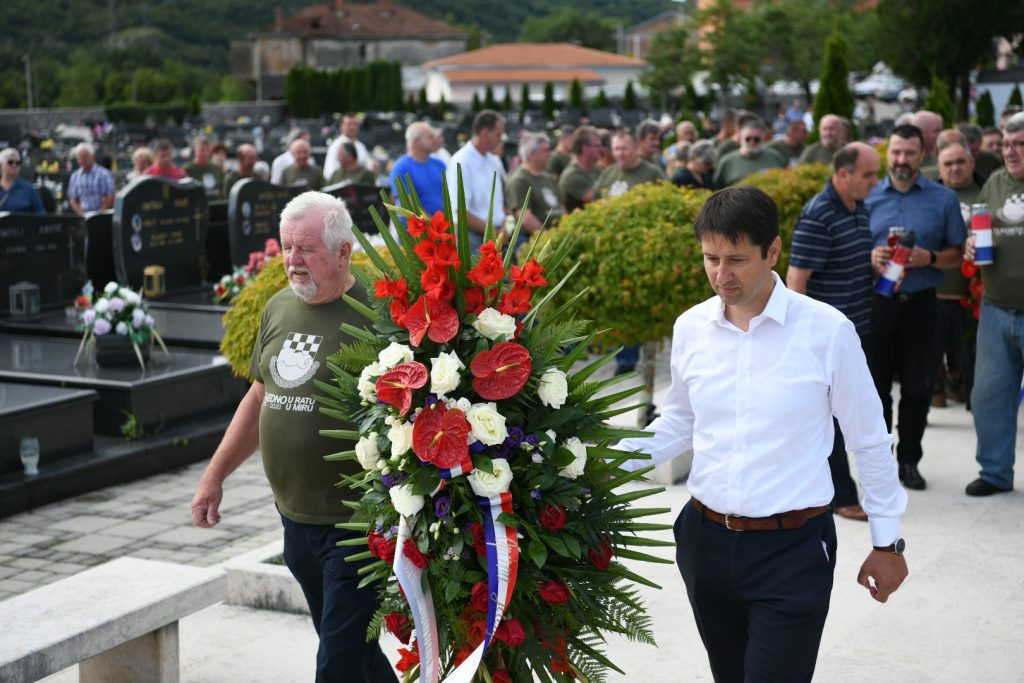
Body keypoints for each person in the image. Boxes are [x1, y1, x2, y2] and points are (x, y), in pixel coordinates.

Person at [618, 185, 908, 683]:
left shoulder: (828, 331)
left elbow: (869, 439)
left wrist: (888, 542)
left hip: (792, 550)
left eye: (737, 259)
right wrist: (594, 461)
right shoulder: (690, 328)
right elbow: (679, 422)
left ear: (773, 251)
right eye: (710, 258)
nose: (721, 275)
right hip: (703, 544)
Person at [190, 191, 397, 683]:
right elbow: (260, 397)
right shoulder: (279, 307)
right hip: (295, 521)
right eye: (287, 247)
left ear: (344, 252)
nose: (292, 261)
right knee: (348, 649)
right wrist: (214, 474)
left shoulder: (381, 316)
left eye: (306, 249)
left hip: (357, 525)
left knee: (337, 667)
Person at [865, 124, 966, 491]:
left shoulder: (943, 199)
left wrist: (931, 257)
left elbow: (957, 253)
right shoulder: (869, 195)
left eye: (909, 153)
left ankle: (909, 460)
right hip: (877, 305)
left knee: (918, 388)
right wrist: (869, 256)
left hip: (923, 306)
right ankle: (879, 465)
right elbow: (848, 247)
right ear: (886, 154)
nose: (901, 160)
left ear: (922, 155)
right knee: (875, 391)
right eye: (895, 152)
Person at [787, 142, 882, 522]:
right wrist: (802, 342)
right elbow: (797, 282)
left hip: (858, 330)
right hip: (824, 342)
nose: (876, 182)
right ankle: (841, 497)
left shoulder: (859, 207)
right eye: (868, 174)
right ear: (843, 174)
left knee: (858, 414)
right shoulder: (818, 215)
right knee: (833, 422)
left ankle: (856, 489)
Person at [965, 112, 1024, 496]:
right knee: (988, 395)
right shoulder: (995, 183)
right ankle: (995, 472)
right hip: (997, 307)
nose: (1011, 152)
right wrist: (972, 244)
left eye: (1020, 145)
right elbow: (981, 228)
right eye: (1006, 144)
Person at [930, 136, 980, 409]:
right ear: (939, 167)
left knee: (970, 358)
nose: (955, 168)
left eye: (961, 161)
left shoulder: (986, 191)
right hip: (934, 293)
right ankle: (937, 395)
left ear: (972, 162)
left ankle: (966, 395)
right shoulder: (929, 196)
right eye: (948, 163)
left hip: (973, 298)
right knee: (929, 362)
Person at [446, 109, 508, 253]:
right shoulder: (460, 162)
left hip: (498, 234)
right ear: (486, 133)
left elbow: (503, 201)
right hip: (473, 238)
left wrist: (505, 227)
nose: (501, 140)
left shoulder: (494, 160)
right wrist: (494, 234)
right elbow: (460, 210)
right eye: (498, 135)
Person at [506, 131, 565, 237]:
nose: (550, 154)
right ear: (532, 155)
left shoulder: (548, 178)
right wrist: (549, 238)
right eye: (545, 151)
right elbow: (526, 219)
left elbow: (561, 207)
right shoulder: (519, 180)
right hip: (533, 241)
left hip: (558, 236)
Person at [389, 122, 447, 216]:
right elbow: (407, 204)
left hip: (443, 226)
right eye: (430, 137)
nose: (434, 140)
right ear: (416, 141)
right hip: (417, 228)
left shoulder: (439, 164)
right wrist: (432, 224)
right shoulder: (401, 167)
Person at [593, 129, 667, 200]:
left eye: (624, 149)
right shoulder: (608, 172)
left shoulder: (653, 173)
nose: (620, 154)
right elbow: (595, 200)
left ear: (636, 149)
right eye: (616, 149)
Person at [712, 118, 785, 187]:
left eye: (756, 139)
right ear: (741, 139)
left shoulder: (775, 157)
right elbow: (716, 187)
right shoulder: (727, 161)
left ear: (763, 139)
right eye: (748, 139)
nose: (752, 142)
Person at [557, 126, 603, 214]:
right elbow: (596, 200)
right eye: (597, 146)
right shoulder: (572, 175)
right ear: (585, 148)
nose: (601, 149)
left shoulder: (597, 169)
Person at [67, 142, 116, 216]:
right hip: (82, 218)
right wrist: (82, 214)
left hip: (102, 217)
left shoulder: (104, 174)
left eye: (85, 156)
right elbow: (73, 199)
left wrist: (96, 215)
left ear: (93, 157)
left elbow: (110, 198)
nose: (82, 160)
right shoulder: (75, 176)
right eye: (80, 157)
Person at [323, 114, 372, 180]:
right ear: (341, 126)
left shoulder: (361, 146)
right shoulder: (335, 146)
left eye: (355, 124)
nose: (352, 127)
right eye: (349, 124)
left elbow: (369, 169)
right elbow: (328, 174)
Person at [0, 148, 44, 213]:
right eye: (10, 162)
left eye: (18, 163)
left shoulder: (30, 189)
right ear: (1, 165)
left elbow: (41, 216)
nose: (14, 165)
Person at [912, 110, 944, 180]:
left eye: (942, 129)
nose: (942, 134)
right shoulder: (906, 158)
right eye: (936, 131)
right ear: (921, 133)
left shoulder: (941, 151)